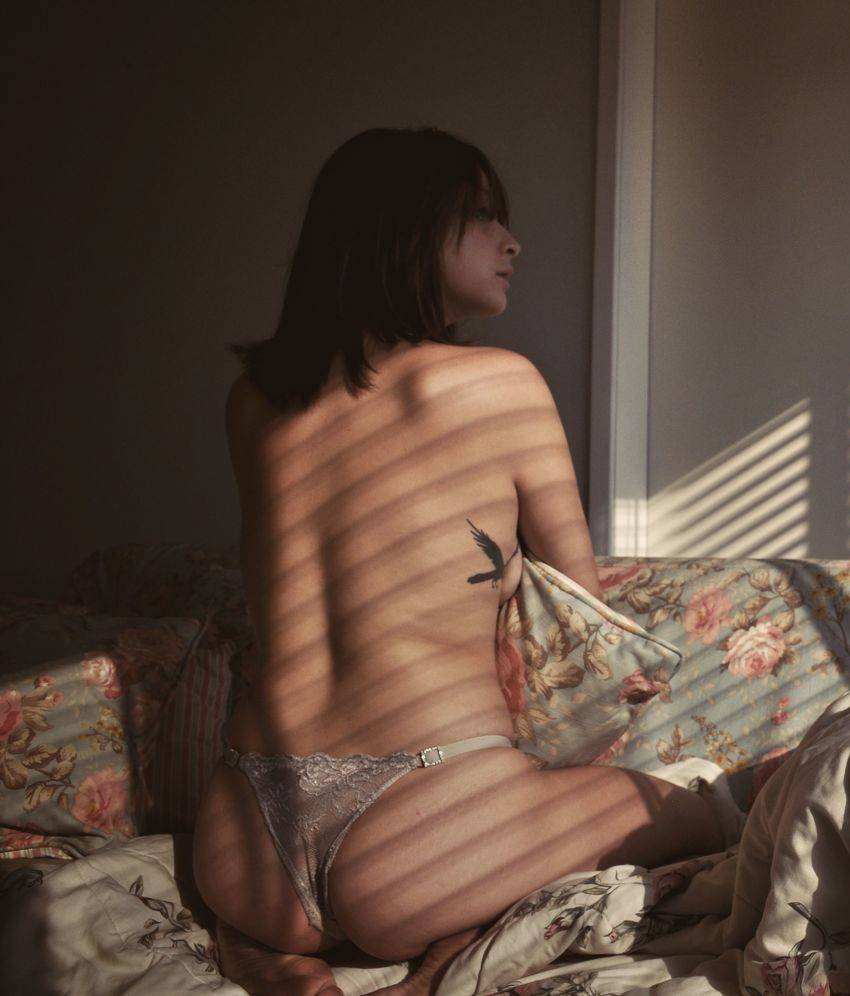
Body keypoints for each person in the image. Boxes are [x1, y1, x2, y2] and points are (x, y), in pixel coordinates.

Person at [191, 127, 724, 996]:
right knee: (698, 812)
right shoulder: (499, 384)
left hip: (244, 833)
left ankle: (272, 947)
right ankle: (453, 947)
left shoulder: (252, 403)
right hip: (423, 827)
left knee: (384, 870)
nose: (511, 242)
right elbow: (582, 614)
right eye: (481, 217)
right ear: (401, 232)